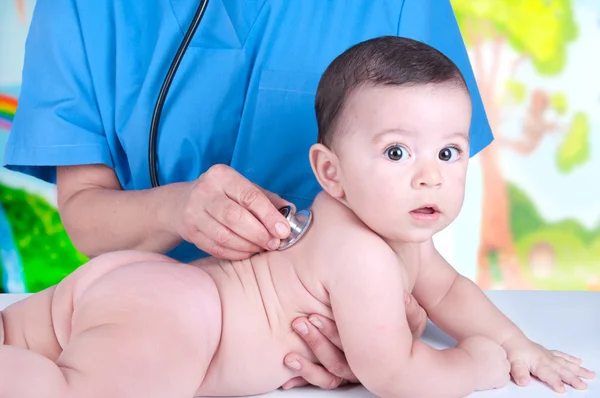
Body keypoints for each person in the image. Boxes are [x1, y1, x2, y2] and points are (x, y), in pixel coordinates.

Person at [0, 36, 594, 398]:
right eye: (396, 152)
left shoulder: (396, 239)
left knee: (19, 334)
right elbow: (396, 375)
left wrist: (520, 344)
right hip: (181, 314)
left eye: (449, 151)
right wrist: (478, 363)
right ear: (330, 173)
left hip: (147, 289)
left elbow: (450, 292)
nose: (429, 175)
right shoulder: (361, 255)